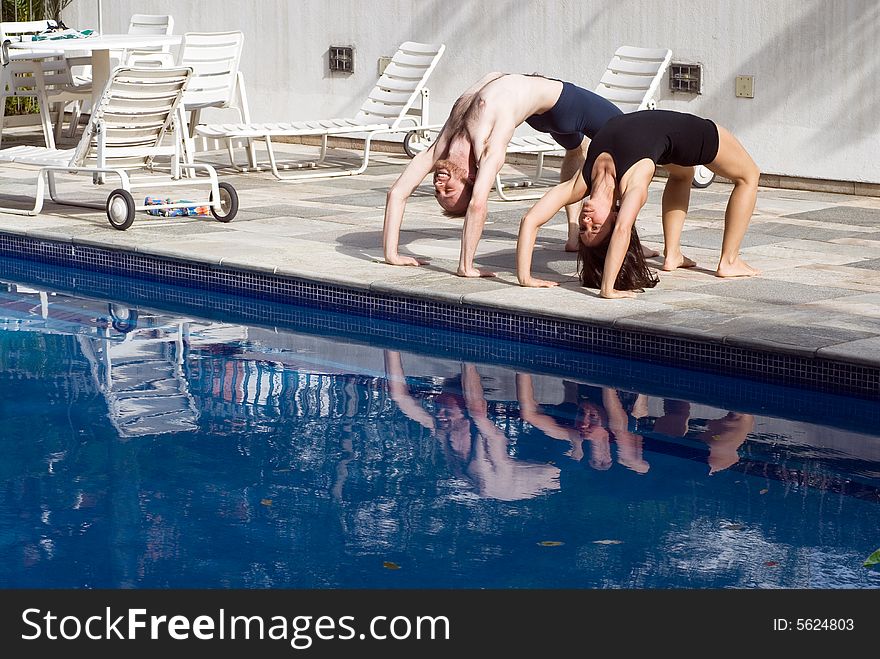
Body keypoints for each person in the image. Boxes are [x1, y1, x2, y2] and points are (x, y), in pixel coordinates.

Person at [383, 73, 626, 278]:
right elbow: (478, 204)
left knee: (576, 150)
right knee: (626, 139)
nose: (440, 184)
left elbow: (397, 192)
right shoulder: (489, 150)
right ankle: (626, 235)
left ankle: (574, 238)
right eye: (448, 191)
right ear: (470, 179)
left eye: (438, 191)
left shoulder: (441, 148)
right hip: (563, 104)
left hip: (541, 111)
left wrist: (391, 254)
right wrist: (466, 266)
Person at [516, 109, 761, 297]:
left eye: (583, 228)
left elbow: (531, 220)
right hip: (689, 133)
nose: (586, 221)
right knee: (749, 176)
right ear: (613, 217)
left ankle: (673, 255)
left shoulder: (581, 183)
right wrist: (607, 289)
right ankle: (729, 261)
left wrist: (525, 277)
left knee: (682, 174)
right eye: (596, 227)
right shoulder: (634, 183)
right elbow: (623, 229)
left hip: (663, 138)